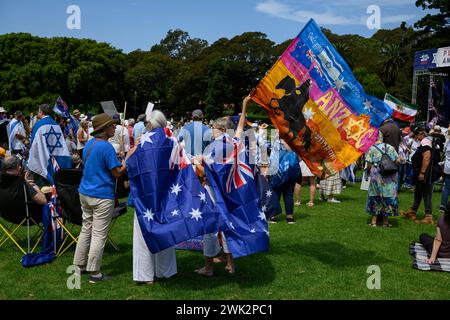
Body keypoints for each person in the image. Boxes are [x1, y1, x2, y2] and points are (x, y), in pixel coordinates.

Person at [73, 113, 128, 283]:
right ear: (104, 130)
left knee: (86, 229)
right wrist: (128, 159)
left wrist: (116, 159)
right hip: (101, 195)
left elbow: (100, 164)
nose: (115, 127)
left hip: (85, 192)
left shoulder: (90, 144)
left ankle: (79, 266)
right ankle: (94, 273)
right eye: (112, 125)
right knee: (98, 234)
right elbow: (117, 173)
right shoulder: (106, 147)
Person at [126, 110, 177, 285]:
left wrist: (134, 148)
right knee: (165, 231)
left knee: (142, 234)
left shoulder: (142, 143)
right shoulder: (172, 141)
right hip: (165, 194)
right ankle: (165, 270)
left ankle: (145, 275)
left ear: (149, 124)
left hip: (144, 195)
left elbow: (129, 165)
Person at [401, 127, 437, 224]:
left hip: (425, 173)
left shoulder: (426, 143)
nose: (416, 137)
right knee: (418, 192)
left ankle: (428, 217)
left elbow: (426, 158)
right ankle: (412, 211)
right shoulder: (425, 142)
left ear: (422, 134)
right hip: (421, 172)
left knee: (426, 193)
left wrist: (422, 173)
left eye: (417, 135)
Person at [365, 131, 400, 227]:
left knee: (375, 196)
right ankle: (385, 222)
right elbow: (398, 160)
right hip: (388, 175)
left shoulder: (372, 149)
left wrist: (369, 171)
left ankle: (373, 222)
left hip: (376, 175)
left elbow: (368, 163)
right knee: (387, 196)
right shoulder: (390, 147)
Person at [268, 138, 299, 224]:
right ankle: (289, 217)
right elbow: (294, 155)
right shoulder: (292, 141)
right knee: (286, 195)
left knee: (278, 195)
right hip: (287, 172)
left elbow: (272, 157)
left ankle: (273, 216)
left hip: (279, 173)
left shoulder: (275, 140)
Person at [439, 135, 450, 213]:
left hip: (447, 167)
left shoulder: (447, 142)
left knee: (446, 187)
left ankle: (442, 206)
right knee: (446, 187)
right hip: (447, 166)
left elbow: (443, 153)